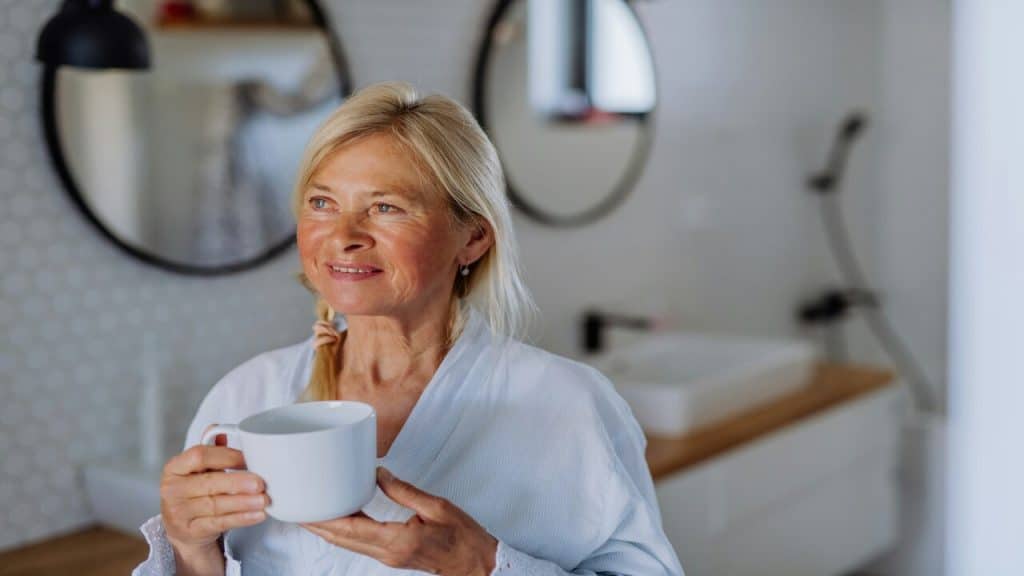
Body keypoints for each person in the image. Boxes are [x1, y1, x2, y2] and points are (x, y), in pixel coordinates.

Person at [133, 81, 684, 576]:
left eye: (387, 208)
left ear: (472, 239)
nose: (343, 235)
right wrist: (190, 553)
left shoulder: (568, 407)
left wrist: (482, 566)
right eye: (322, 202)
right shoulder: (244, 397)